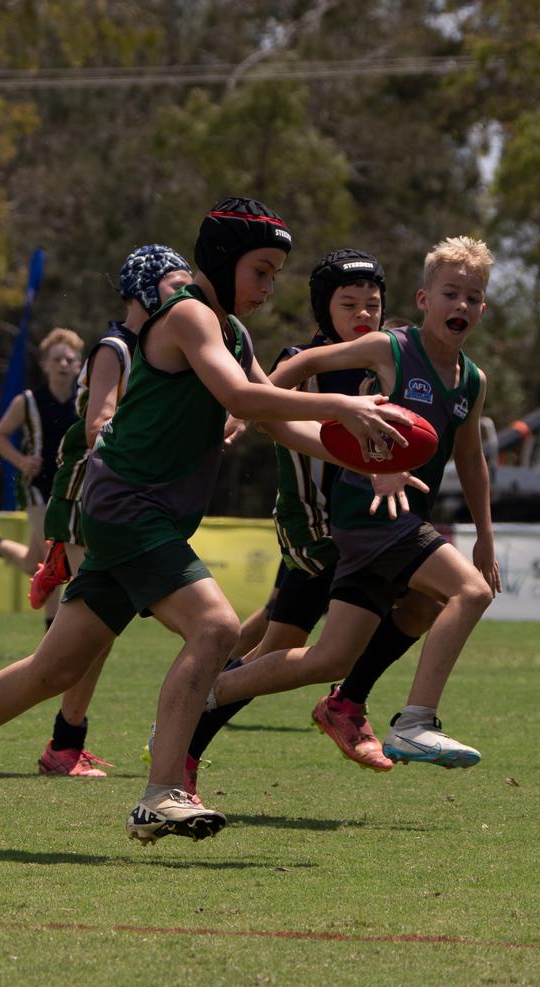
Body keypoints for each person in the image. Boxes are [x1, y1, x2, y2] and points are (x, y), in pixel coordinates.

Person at [0, 196, 414, 852]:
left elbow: (276, 422)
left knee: (54, 669)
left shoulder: (233, 332)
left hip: (141, 513)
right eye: (261, 269)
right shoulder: (191, 314)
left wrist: (367, 453)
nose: (268, 286)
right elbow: (239, 397)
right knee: (217, 626)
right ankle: (162, 791)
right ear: (222, 262)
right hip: (125, 505)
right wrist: (342, 402)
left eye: (276, 273)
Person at [196, 235, 501, 771]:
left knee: (330, 656)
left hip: (397, 522)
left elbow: (471, 461)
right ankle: (416, 722)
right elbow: (302, 362)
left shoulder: (470, 380)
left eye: (473, 298)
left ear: (483, 308)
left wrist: (485, 537)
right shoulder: (392, 349)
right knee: (469, 594)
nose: (462, 306)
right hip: (368, 514)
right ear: (424, 299)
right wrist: (244, 411)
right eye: (450, 293)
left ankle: (210, 691)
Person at [168, 249, 442, 801]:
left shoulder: (382, 361)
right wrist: (240, 419)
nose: (362, 315)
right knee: (288, 647)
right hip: (314, 524)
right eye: (349, 305)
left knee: (408, 605)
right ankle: (192, 731)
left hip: (363, 522)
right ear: (325, 309)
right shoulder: (307, 360)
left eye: (372, 304)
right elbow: (266, 399)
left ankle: (195, 737)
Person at [33, 245, 193, 777]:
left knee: (94, 634)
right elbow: (99, 424)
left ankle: (66, 740)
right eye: (176, 286)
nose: (187, 296)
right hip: (88, 496)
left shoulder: (155, 347)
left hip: (110, 499)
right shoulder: (116, 348)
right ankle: (64, 744)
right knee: (87, 638)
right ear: (145, 290)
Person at [0, 327, 85, 628]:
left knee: (31, 562)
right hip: (37, 488)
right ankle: (52, 633)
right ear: (45, 364)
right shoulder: (28, 401)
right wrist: (22, 461)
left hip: (73, 487)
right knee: (54, 558)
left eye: (70, 359)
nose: (64, 364)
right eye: (57, 358)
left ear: (79, 365)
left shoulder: (84, 400)